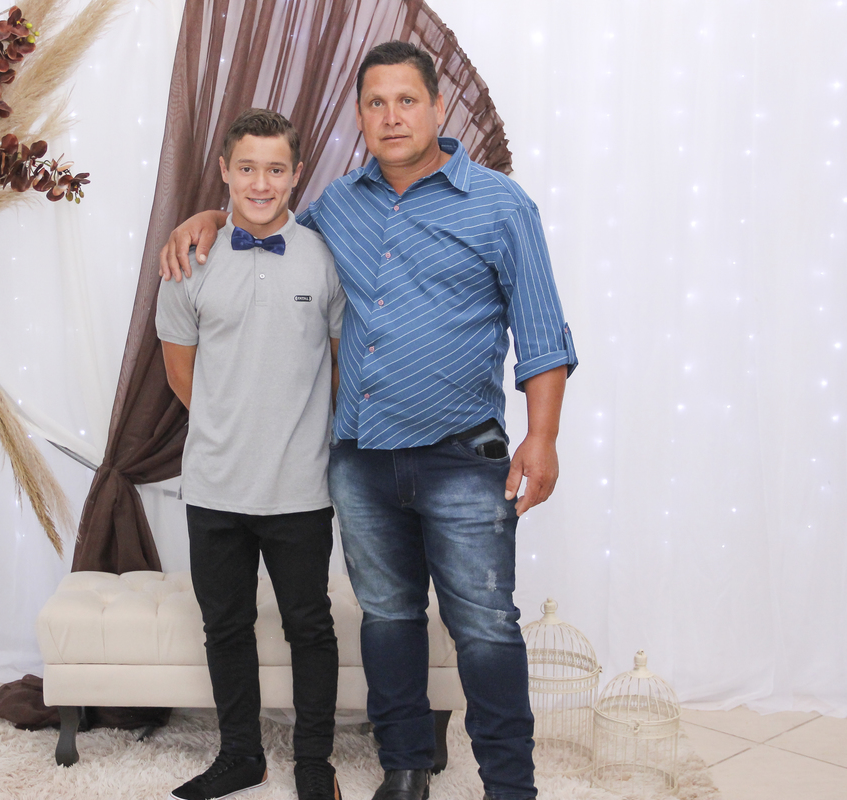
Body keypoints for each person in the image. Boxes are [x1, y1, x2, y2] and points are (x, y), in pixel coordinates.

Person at [160, 42, 577, 800]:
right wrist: (211, 216)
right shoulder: (337, 207)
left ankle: (511, 787)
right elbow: (267, 221)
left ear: (437, 108)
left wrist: (541, 437)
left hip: (463, 455)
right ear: (359, 117)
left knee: (485, 626)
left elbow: (542, 330)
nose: (392, 116)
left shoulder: (500, 204)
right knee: (387, 618)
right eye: (376, 103)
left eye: (407, 100)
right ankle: (405, 770)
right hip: (360, 460)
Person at [156, 108, 346, 800]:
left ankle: (314, 763)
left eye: (275, 169)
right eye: (246, 168)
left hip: (299, 487)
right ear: (224, 172)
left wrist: (289, 427)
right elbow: (183, 376)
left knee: (309, 627)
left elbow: (336, 368)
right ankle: (241, 756)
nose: (260, 183)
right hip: (214, 484)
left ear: (296, 175)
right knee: (226, 626)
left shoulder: (324, 257)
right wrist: (232, 425)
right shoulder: (188, 262)